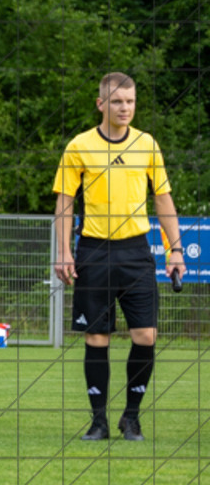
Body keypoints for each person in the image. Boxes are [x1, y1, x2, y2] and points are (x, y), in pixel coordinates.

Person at [53, 72, 185, 442]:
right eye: (116, 101)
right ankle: (99, 422)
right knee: (97, 339)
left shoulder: (147, 144)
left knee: (145, 335)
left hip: (136, 251)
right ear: (101, 104)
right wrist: (63, 251)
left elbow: (163, 199)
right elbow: (64, 204)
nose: (124, 108)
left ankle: (132, 417)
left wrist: (175, 249)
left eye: (129, 101)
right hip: (93, 251)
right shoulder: (79, 146)